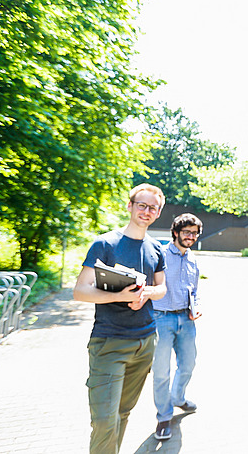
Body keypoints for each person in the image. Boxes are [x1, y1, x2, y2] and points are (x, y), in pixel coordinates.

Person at [73, 183, 168, 453]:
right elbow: (80, 291)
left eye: (153, 207)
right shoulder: (105, 243)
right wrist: (120, 296)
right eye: (142, 205)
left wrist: (147, 293)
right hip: (109, 342)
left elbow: (162, 288)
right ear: (130, 206)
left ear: (158, 213)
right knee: (104, 421)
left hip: (145, 343)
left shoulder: (156, 248)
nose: (146, 211)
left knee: (123, 414)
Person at [151, 213, 203, 441]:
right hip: (160, 319)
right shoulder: (159, 255)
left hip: (186, 320)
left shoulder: (193, 259)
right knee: (162, 371)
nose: (190, 237)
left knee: (188, 364)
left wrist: (196, 306)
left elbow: (195, 291)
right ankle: (164, 417)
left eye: (194, 233)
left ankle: (178, 398)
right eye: (186, 232)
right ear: (175, 233)